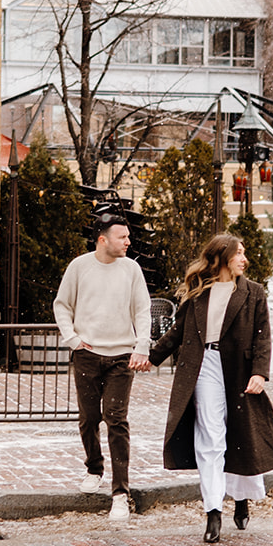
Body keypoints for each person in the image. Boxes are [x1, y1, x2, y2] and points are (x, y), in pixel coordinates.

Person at [147, 233, 273, 543]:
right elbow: (178, 332)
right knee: (209, 436)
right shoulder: (198, 293)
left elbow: (263, 337)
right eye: (239, 254)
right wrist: (149, 357)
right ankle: (213, 511)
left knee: (238, 434)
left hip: (238, 368)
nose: (244, 259)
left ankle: (241, 497)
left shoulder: (254, 293)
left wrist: (259, 373)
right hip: (203, 365)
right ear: (222, 257)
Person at [53, 214, 153, 521]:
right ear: (103, 239)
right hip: (87, 355)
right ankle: (93, 468)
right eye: (122, 237)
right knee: (89, 418)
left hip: (122, 357)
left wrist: (141, 347)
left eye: (128, 237)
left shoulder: (131, 269)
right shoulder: (79, 267)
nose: (128, 242)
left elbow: (143, 310)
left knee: (116, 420)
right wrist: (72, 339)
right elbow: (62, 304)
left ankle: (120, 493)